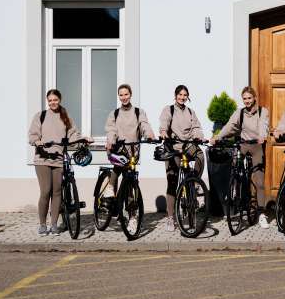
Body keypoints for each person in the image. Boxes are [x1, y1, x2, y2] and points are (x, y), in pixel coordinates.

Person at [27, 89, 85, 235]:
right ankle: (42, 224)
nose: (53, 102)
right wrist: (38, 142)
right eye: (50, 100)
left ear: (60, 100)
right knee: (46, 191)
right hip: (43, 158)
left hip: (59, 159)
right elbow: (32, 135)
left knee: (57, 192)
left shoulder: (65, 116)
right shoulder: (40, 116)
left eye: (55, 100)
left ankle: (53, 224)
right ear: (48, 101)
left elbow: (73, 135)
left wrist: (82, 139)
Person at [213, 86, 270, 228]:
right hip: (243, 145)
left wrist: (262, 136)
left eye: (249, 98)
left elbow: (264, 125)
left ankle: (261, 214)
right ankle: (235, 191)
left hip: (256, 146)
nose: (247, 101)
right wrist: (218, 136)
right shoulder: (240, 113)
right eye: (244, 98)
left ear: (254, 98)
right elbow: (229, 126)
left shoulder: (263, 111)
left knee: (260, 181)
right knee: (235, 168)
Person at [158, 84, 205, 232]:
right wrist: (164, 132)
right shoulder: (169, 110)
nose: (182, 98)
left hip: (187, 145)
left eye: (185, 95)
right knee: (172, 182)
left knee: (200, 155)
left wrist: (198, 136)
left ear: (187, 97)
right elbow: (164, 123)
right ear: (175, 95)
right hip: (173, 147)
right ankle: (170, 218)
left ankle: (195, 182)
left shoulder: (191, 112)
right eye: (180, 95)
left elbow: (197, 127)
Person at [104, 84, 156, 202]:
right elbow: (111, 130)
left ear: (130, 94)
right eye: (121, 95)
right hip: (119, 149)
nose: (124, 97)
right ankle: (110, 187)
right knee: (118, 167)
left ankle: (132, 214)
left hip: (133, 151)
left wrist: (149, 135)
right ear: (119, 96)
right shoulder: (115, 113)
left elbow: (144, 125)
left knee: (131, 181)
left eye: (126, 94)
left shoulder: (138, 112)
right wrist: (111, 141)